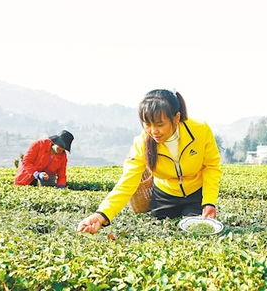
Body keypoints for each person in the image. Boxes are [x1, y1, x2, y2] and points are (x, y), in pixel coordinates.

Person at [77, 89, 222, 234]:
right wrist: (102, 215)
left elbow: (211, 167)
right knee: (162, 230)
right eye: (147, 124)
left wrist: (209, 202)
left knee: (194, 229)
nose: (153, 131)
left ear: (176, 118)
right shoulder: (142, 143)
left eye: (159, 124)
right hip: (165, 196)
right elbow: (127, 182)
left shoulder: (200, 131)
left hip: (195, 194)